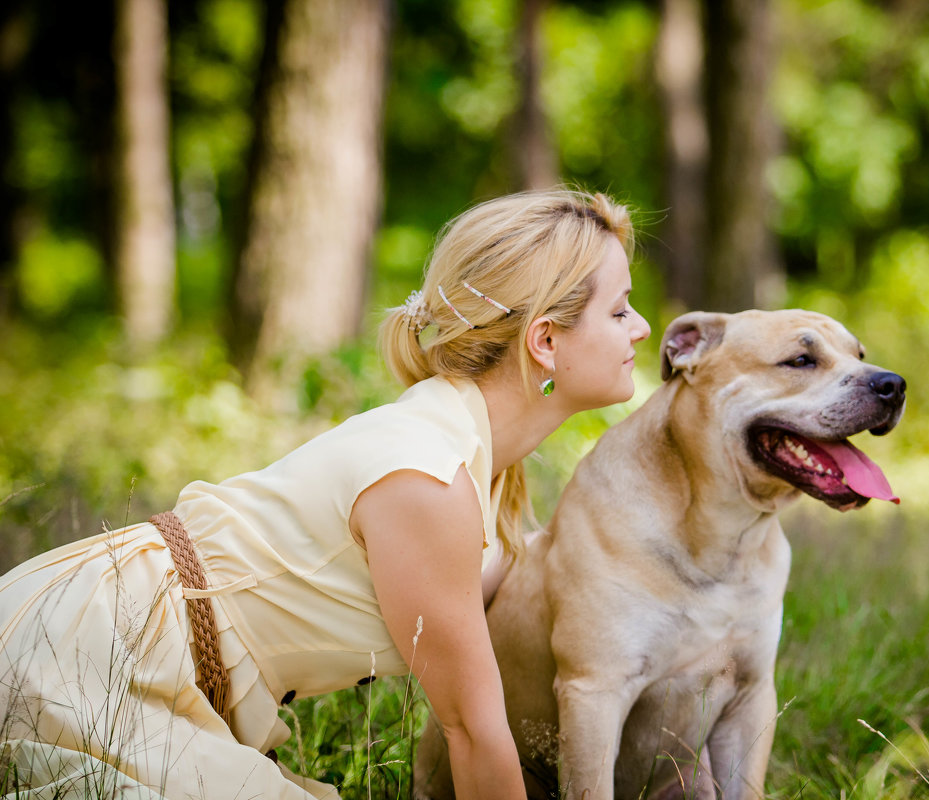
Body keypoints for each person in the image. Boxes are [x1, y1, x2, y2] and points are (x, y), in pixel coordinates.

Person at [0, 189, 652, 800]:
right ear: (544, 341)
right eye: (619, 309)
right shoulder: (428, 476)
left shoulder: (465, 450)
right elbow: (474, 731)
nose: (643, 328)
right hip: (94, 654)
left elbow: (501, 587)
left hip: (133, 650)